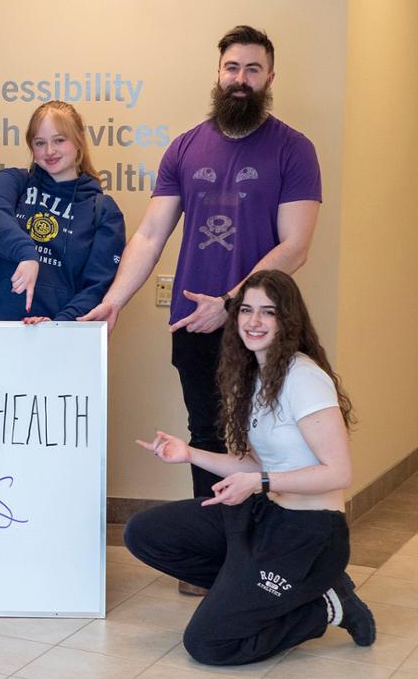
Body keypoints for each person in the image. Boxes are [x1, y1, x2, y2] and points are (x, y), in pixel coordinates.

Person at [81, 26, 322, 555]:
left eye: (253, 70)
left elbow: (295, 246)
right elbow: (149, 234)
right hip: (195, 325)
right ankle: (216, 557)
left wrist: (232, 304)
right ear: (218, 73)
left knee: (272, 440)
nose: (241, 79)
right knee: (207, 437)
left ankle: (271, 555)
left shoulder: (294, 150)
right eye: (232, 68)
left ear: (270, 78)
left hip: (264, 325)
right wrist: (115, 300)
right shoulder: (185, 147)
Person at [125, 270, 375, 665]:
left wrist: (259, 481)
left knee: (208, 644)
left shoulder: (303, 378)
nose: (253, 321)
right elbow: (259, 463)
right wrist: (189, 453)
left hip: (307, 533)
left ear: (287, 320)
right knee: (144, 532)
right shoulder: (257, 375)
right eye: (246, 310)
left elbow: (338, 472)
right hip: (263, 515)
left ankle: (324, 606)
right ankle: (248, 590)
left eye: (267, 312)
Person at [0, 101, 124, 322]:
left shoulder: (103, 211)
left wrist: (58, 326)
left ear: (78, 140)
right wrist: (27, 253)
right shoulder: (13, 182)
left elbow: (96, 286)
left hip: (58, 338)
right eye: (40, 143)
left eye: (59, 140)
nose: (49, 151)